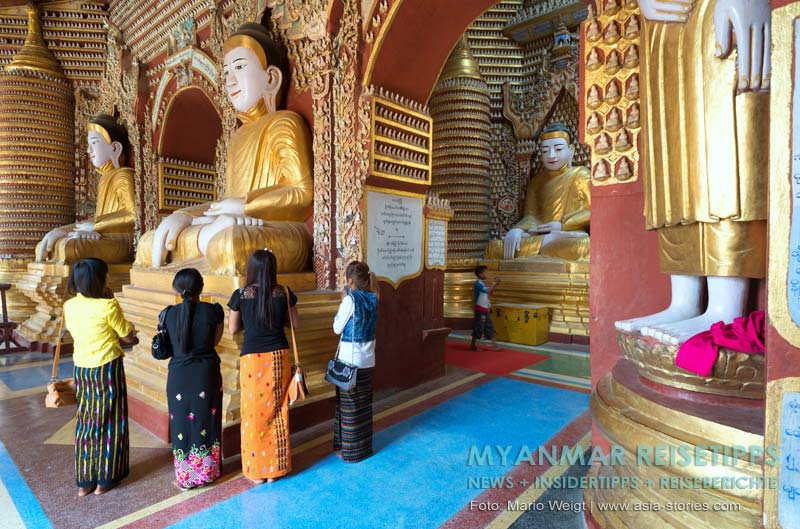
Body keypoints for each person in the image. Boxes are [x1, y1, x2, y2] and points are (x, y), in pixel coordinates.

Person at [63, 258, 137, 497]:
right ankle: (105, 479)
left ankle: (85, 482)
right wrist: (133, 334)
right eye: (106, 275)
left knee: (86, 421)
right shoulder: (108, 306)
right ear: (99, 280)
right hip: (107, 367)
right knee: (110, 421)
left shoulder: (69, 305)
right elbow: (127, 337)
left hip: (82, 369)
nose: (109, 279)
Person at [228, 249, 299, 483]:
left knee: (252, 415)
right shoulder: (285, 293)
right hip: (278, 357)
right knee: (278, 412)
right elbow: (294, 324)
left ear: (251, 269)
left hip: (252, 359)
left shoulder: (241, 295)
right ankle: (275, 469)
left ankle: (256, 470)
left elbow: (232, 329)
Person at [159, 268, 224, 490]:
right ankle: (208, 472)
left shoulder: (167, 313)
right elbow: (214, 342)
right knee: (207, 422)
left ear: (176, 289)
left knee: (181, 426)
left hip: (178, 377)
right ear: (201, 287)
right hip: (206, 375)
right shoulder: (214, 311)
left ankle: (185, 478)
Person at [332, 262, 379, 463]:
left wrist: (342, 301)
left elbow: (336, 328)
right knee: (363, 406)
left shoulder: (350, 300)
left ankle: (351, 453)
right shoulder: (374, 297)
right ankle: (364, 448)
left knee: (349, 407)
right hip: (368, 360)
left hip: (350, 363)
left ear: (350, 281)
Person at [470, 265, 500, 351]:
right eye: (485, 272)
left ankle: (494, 345)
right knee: (479, 327)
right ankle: (473, 345)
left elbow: (490, 292)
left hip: (485, 308)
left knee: (489, 326)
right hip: (480, 309)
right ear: (480, 274)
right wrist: (494, 283)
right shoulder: (478, 283)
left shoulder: (483, 283)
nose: (487, 273)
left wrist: (495, 284)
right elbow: (487, 291)